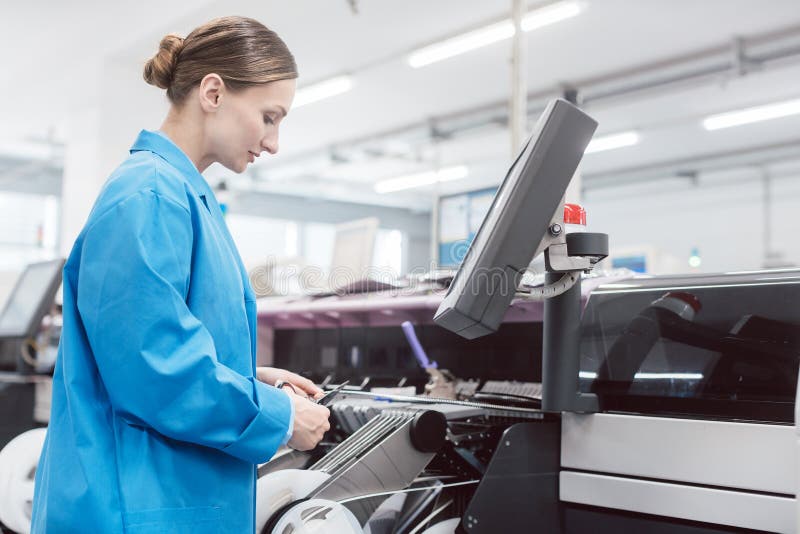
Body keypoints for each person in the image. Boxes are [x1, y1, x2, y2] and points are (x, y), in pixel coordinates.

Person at [31, 16, 331, 533]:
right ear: (213, 92)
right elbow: (156, 371)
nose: (274, 141)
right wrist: (279, 417)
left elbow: (165, 340)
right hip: (133, 509)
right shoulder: (148, 195)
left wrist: (249, 377)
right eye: (269, 116)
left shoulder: (182, 195)